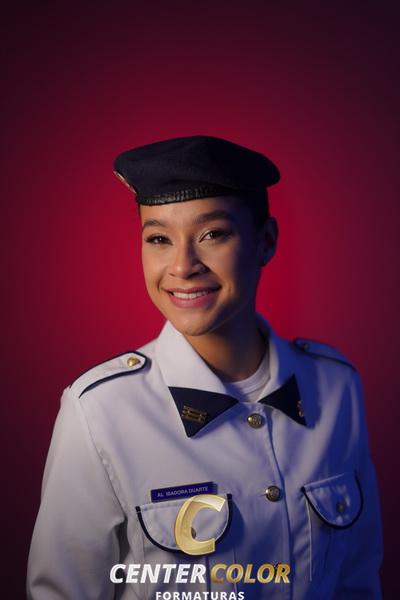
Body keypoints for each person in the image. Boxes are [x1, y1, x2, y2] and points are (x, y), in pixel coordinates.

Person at [27, 135, 383, 599]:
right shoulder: (100, 411)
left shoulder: (336, 386)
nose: (182, 266)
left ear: (265, 241)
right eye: (159, 239)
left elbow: (358, 581)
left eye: (213, 234)